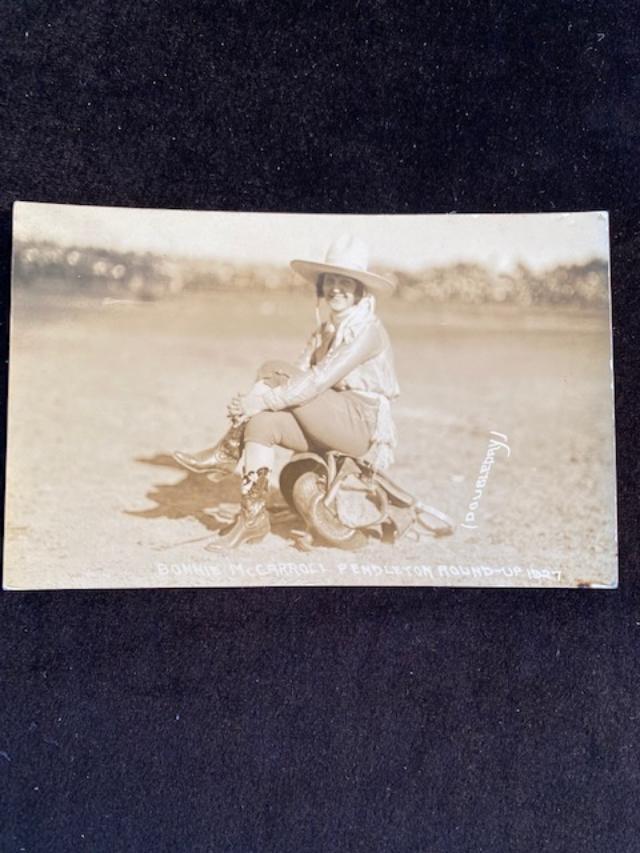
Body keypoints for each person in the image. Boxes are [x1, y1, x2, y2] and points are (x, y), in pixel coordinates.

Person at [173, 234, 400, 549]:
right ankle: (252, 518)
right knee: (262, 425)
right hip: (330, 416)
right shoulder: (325, 331)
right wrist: (256, 408)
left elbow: (317, 379)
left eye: (346, 282)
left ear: (360, 290)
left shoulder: (368, 330)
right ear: (320, 287)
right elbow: (298, 378)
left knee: (272, 368)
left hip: (358, 422)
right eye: (330, 280)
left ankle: (227, 452)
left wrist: (259, 399)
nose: (337, 288)